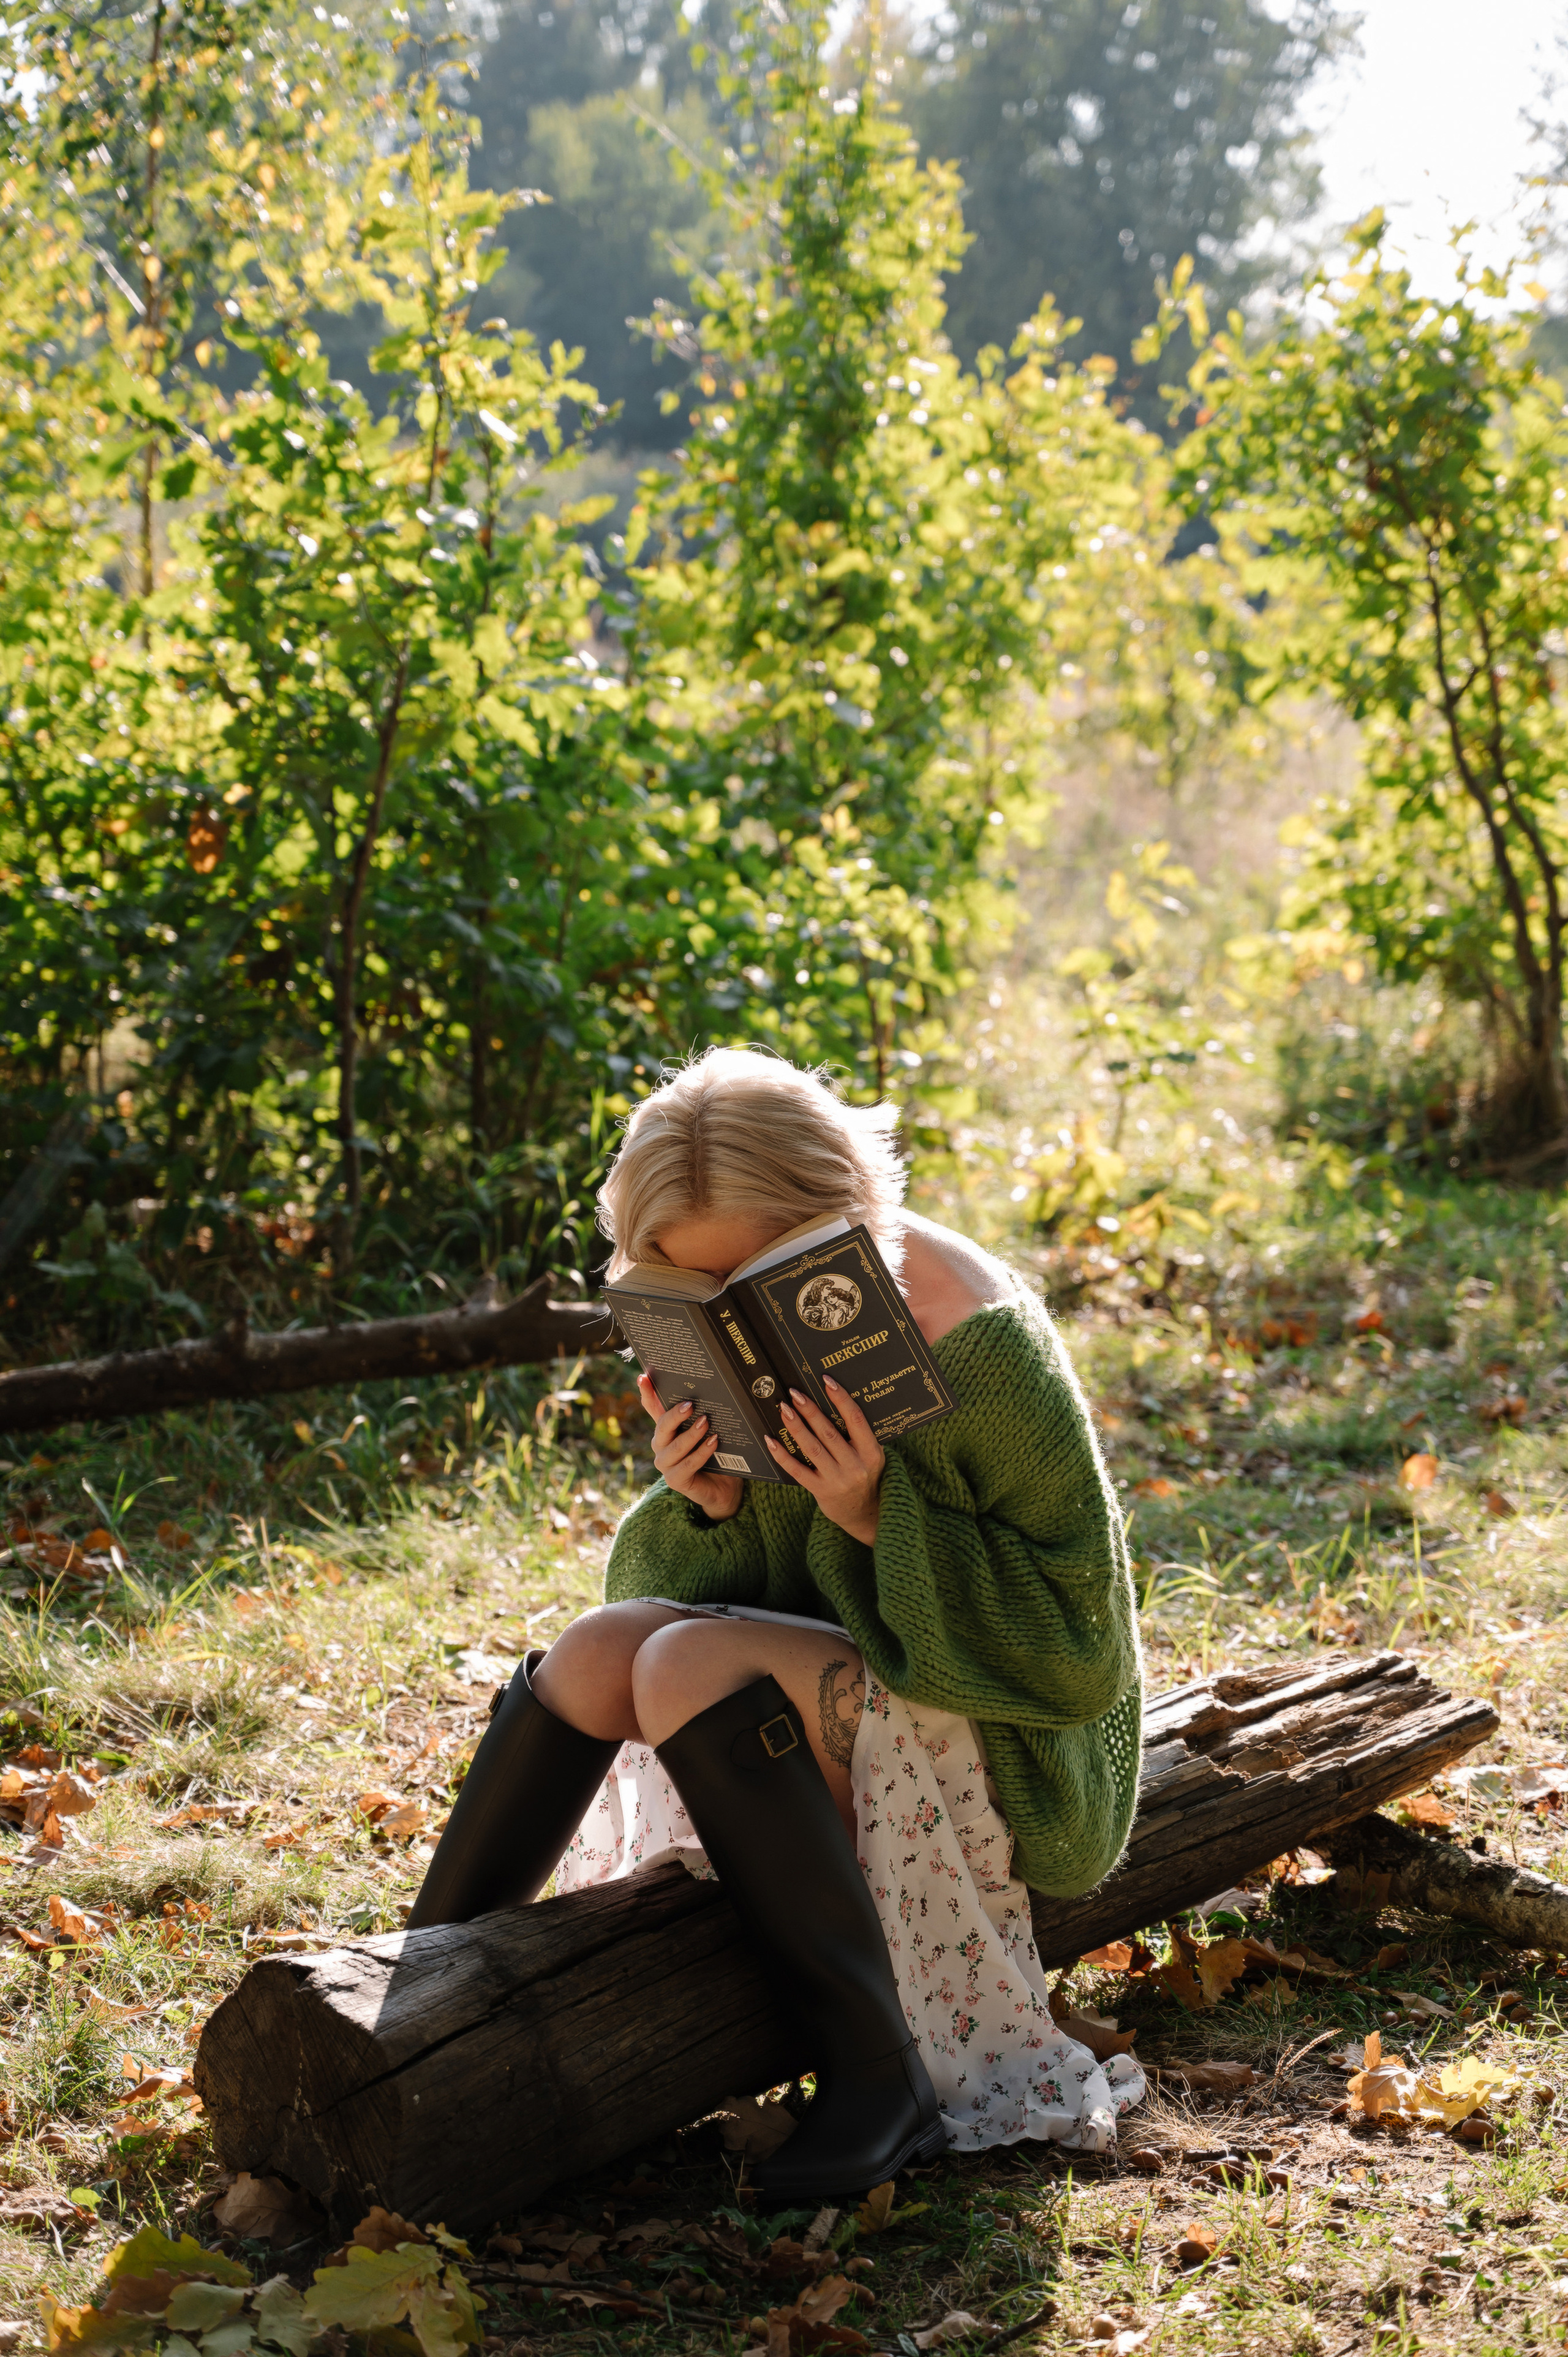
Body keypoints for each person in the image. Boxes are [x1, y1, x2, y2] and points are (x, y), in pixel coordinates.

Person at [407, 1048, 1145, 2196]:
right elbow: (745, 1595)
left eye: (756, 1276)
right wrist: (708, 1507)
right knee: (603, 1652)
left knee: (691, 1660)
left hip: (1004, 1739)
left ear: (839, 1220)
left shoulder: (983, 1342)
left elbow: (1074, 1655)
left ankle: (880, 2074)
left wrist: (870, 1511)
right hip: (844, 1695)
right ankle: (416, 1977)